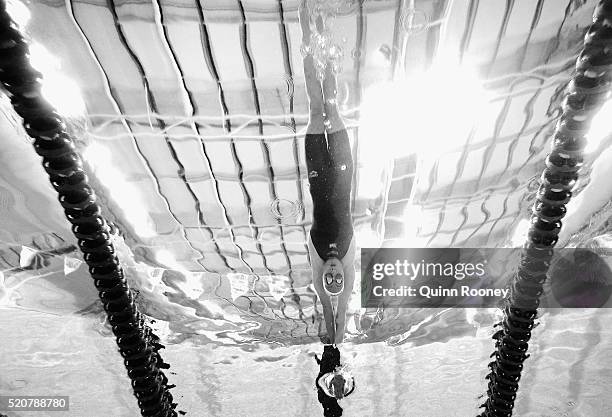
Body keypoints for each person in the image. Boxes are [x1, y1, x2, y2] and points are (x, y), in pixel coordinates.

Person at [300, 0, 356, 347]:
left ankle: (308, 31)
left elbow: (327, 303)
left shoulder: (317, 254)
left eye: (330, 275)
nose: (334, 269)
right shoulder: (348, 253)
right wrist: (339, 341)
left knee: (314, 108)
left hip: (318, 172)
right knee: (331, 108)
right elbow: (342, 305)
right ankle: (325, 33)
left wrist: (329, 342)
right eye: (339, 275)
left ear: (324, 276)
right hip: (344, 169)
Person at [314, 345, 356, 416]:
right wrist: (344, 373)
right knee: (333, 353)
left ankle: (330, 343)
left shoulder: (325, 397)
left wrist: (329, 374)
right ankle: (331, 343)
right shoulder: (341, 393)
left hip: (327, 371)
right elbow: (350, 381)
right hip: (332, 372)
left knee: (330, 353)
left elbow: (319, 381)